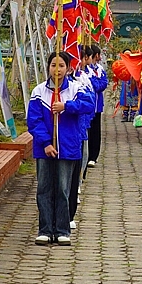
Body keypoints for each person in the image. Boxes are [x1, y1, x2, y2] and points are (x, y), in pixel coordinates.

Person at [28, 51, 95, 246]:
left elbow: (88, 105)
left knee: (64, 189)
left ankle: (62, 230)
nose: (57, 70)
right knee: (44, 188)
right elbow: (34, 120)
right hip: (45, 149)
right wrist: (46, 143)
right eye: (53, 65)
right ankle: (45, 229)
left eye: (61, 66)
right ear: (48, 67)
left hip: (68, 147)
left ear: (68, 68)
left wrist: (66, 106)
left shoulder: (76, 88)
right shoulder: (39, 91)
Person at [68, 46, 97, 231]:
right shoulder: (43, 89)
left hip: (79, 128)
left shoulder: (82, 80)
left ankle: (75, 189)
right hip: (52, 141)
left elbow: (90, 101)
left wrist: (68, 106)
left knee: (80, 158)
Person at [86, 45, 107, 169]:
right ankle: (86, 154)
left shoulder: (99, 69)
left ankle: (93, 156)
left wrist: (93, 80)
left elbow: (102, 84)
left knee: (95, 131)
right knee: (87, 131)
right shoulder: (84, 71)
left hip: (97, 106)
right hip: (87, 107)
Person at [118, 49, 139, 122]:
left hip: (133, 83)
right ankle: (125, 115)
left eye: (129, 54)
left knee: (134, 99)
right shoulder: (121, 64)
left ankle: (132, 116)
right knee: (124, 99)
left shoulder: (134, 63)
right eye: (125, 54)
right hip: (125, 83)